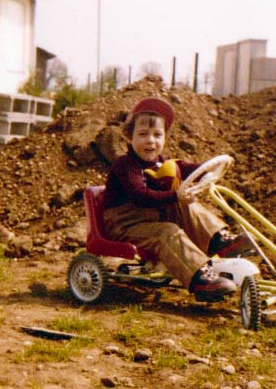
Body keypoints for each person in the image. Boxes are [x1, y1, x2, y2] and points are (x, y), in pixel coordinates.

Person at [102, 97, 250, 302]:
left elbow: (187, 169)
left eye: (157, 135)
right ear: (129, 137)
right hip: (125, 224)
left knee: (188, 206)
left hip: (150, 218)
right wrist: (175, 196)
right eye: (143, 134)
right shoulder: (126, 165)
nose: (150, 141)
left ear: (164, 138)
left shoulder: (162, 163)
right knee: (167, 231)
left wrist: (210, 166)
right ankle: (199, 278)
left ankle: (219, 240)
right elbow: (140, 195)